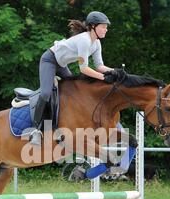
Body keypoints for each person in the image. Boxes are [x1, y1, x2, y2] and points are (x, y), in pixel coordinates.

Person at [29, 11, 121, 146]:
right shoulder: (84, 40)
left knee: (76, 91)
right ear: (93, 27)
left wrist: (115, 72)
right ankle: (36, 130)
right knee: (46, 93)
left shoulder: (96, 44)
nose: (106, 29)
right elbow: (83, 69)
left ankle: (62, 127)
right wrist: (103, 78)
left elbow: (100, 66)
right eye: (103, 26)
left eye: (106, 27)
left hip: (61, 64)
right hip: (49, 60)